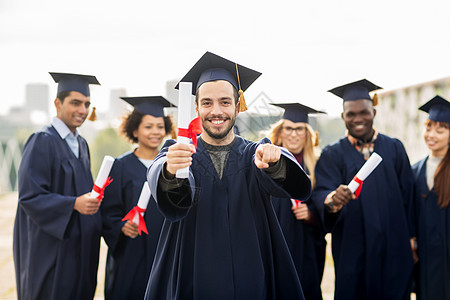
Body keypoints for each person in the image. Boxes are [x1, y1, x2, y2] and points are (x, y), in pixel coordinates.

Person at [145, 52, 312, 299]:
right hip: (193, 276)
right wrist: (171, 171)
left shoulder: (254, 154)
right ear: (197, 106)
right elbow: (161, 176)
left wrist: (274, 161)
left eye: (224, 102)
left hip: (251, 278)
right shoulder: (178, 153)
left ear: (237, 105)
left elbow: (297, 184)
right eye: (207, 103)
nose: (216, 111)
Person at [312, 79, 415, 300]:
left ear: (374, 112)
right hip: (353, 250)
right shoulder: (332, 154)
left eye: (364, 112)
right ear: (343, 117)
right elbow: (321, 193)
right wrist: (332, 199)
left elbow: (409, 197)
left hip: (393, 249)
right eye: (351, 114)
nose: (358, 119)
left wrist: (412, 239)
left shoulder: (394, 148)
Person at [13, 72, 102, 300]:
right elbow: (30, 197)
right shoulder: (42, 141)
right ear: (57, 103)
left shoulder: (81, 144)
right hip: (50, 248)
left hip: (77, 247)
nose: (82, 110)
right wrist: (73, 204)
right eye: (75, 103)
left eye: (86, 104)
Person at [101, 96, 176, 300]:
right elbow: (108, 213)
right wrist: (121, 226)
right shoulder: (121, 166)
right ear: (135, 130)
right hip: (131, 254)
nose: (155, 132)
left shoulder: (171, 166)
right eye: (148, 126)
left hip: (165, 249)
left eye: (160, 126)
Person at [268, 103, 326, 300]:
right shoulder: (267, 163)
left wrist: (311, 215)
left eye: (299, 129)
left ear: (307, 132)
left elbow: (326, 208)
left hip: (305, 248)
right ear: (281, 131)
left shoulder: (318, 165)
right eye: (289, 128)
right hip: (275, 242)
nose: (294, 134)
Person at [411, 95, 450, 299]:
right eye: (428, 127)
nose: (431, 134)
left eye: (440, 129)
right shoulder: (414, 170)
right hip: (425, 260)